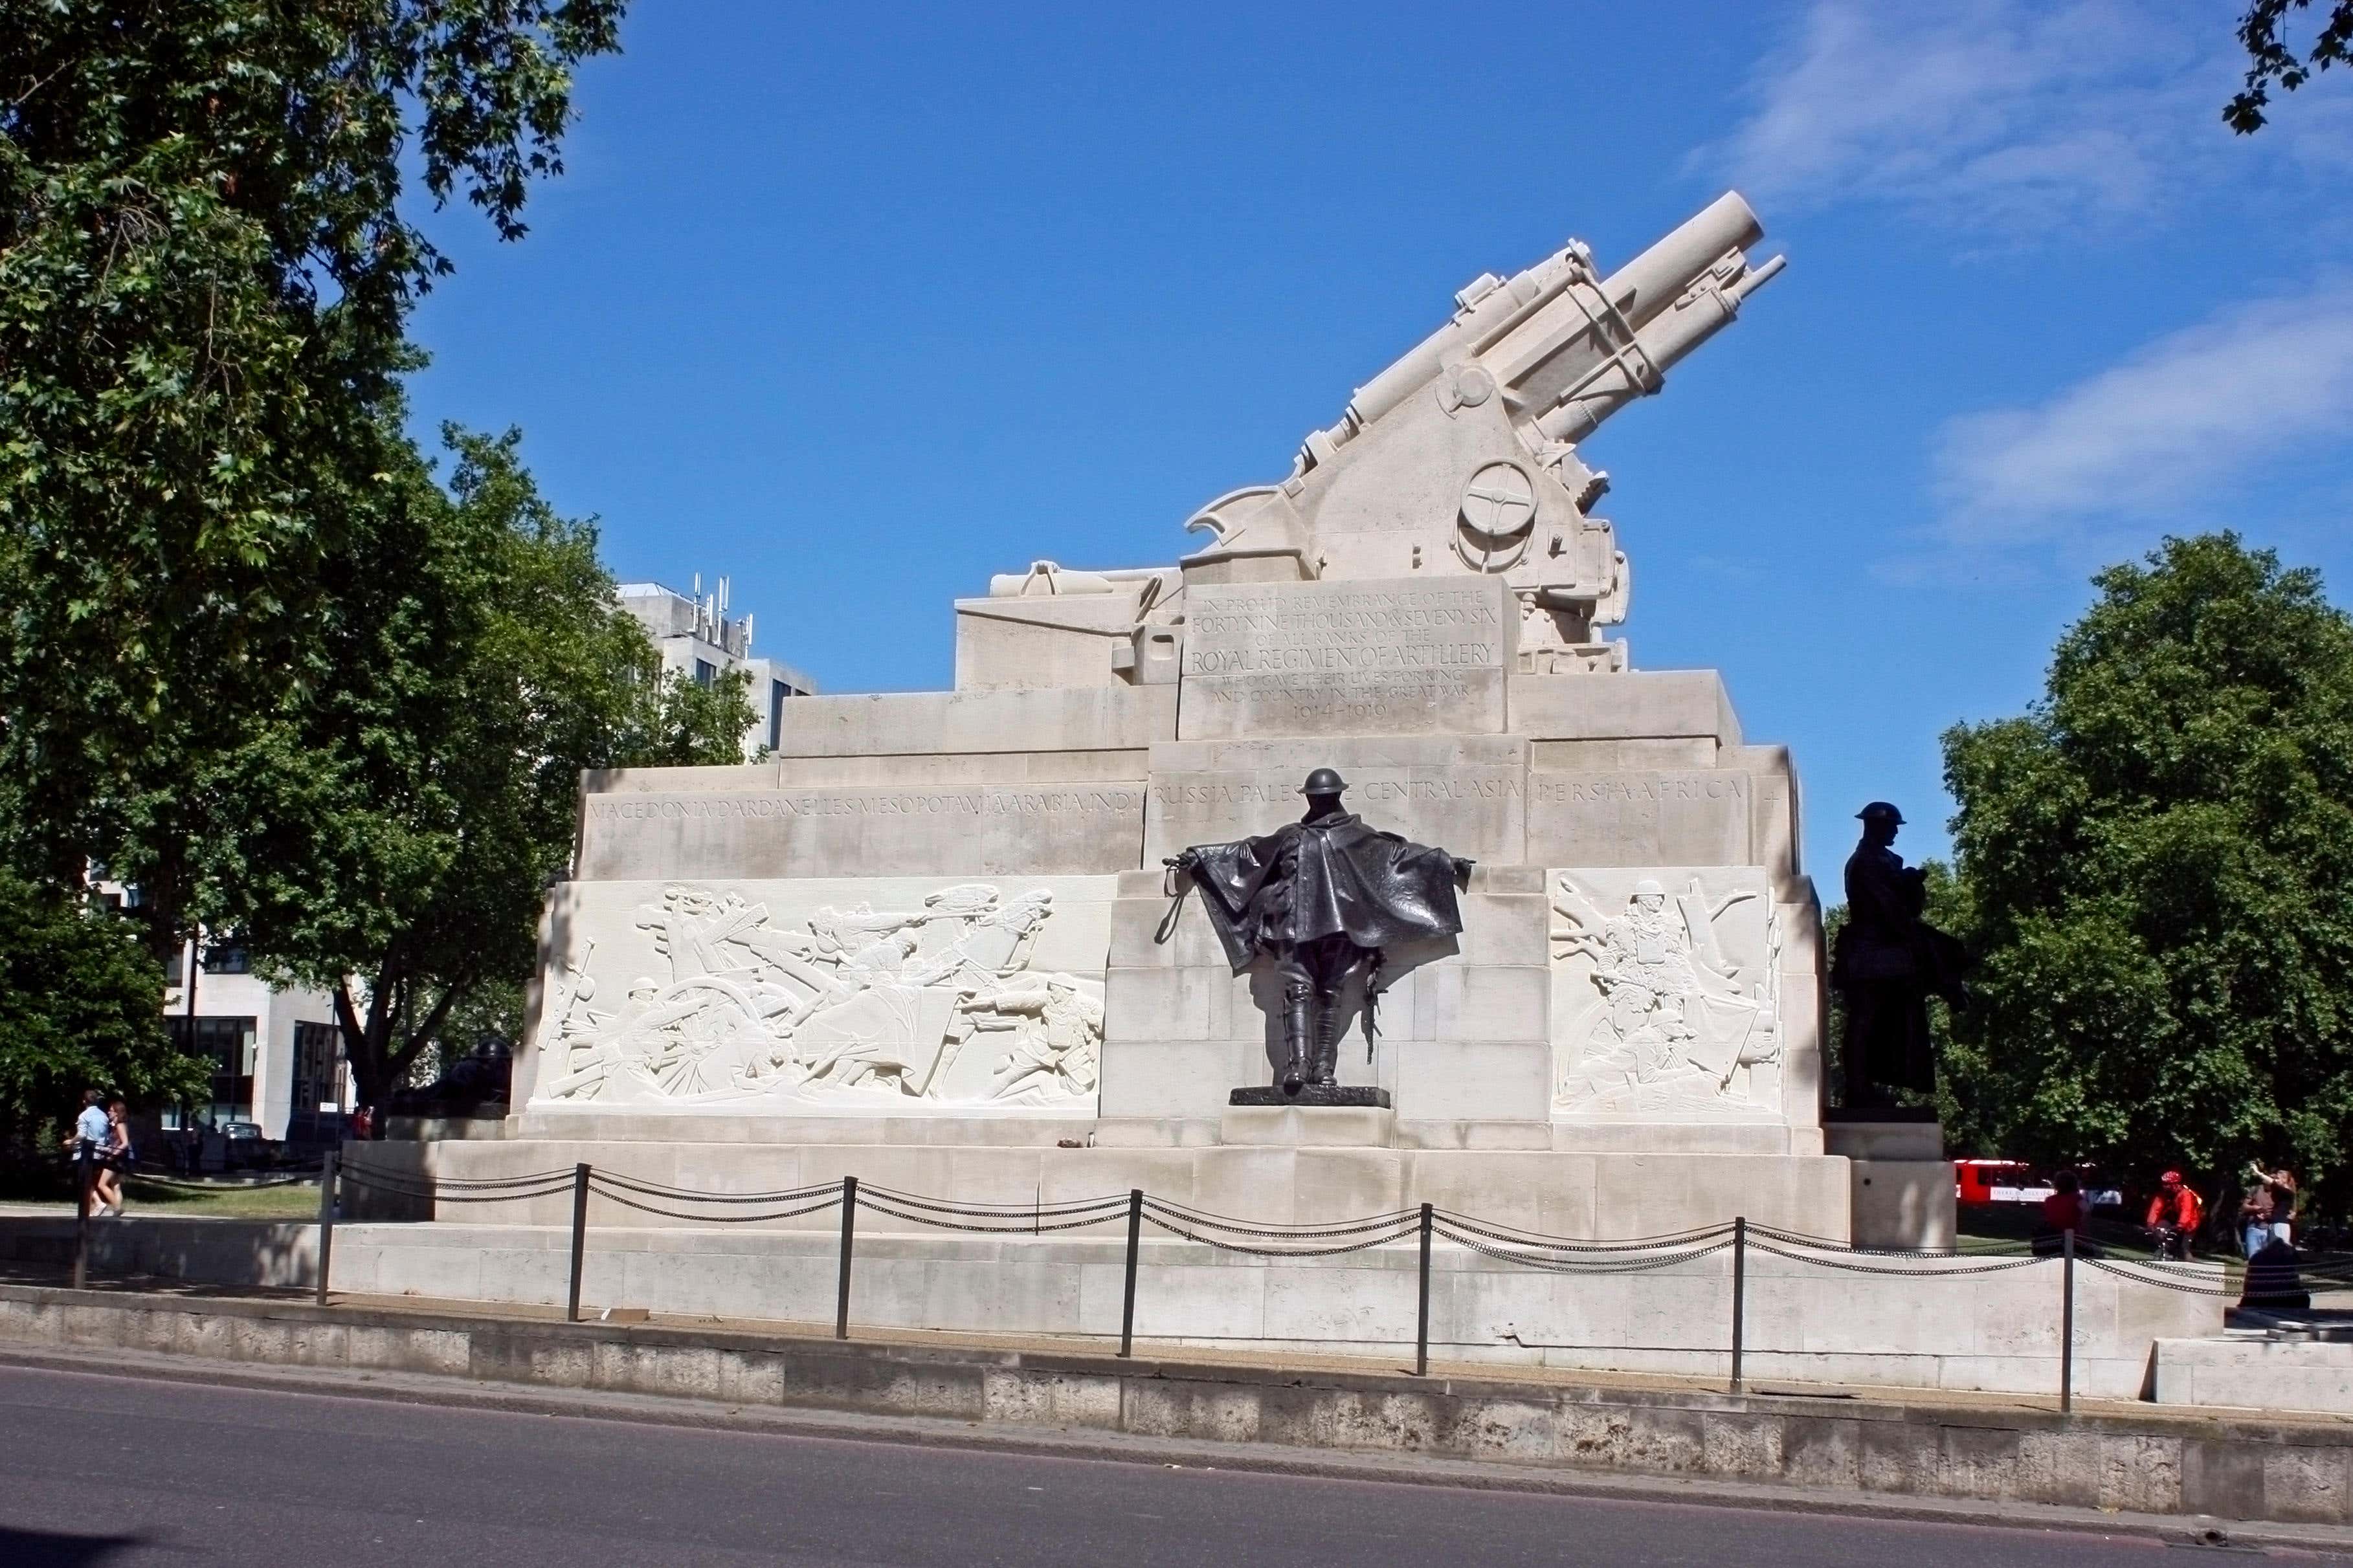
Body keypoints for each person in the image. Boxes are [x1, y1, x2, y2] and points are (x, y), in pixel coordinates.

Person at [1166, 768, 1473, 1094]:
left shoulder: (1358, 835)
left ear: (1335, 797)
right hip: (1291, 924)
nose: (1319, 801)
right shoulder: (1291, 835)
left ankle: (1324, 1068)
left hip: (1339, 928)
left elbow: (1397, 857)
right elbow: (1248, 853)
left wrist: (1445, 864)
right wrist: (1200, 857)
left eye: (1323, 797)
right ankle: (1297, 1065)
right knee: (1298, 990)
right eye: (1315, 796)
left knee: (1330, 993)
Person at [1828, 802, 1968, 1107]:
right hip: (1870, 953)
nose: (1895, 831)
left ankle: (1949, 983)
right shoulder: (1865, 861)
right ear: (1875, 827)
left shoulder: (1884, 860)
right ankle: (1858, 1091)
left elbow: (1908, 908)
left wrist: (1910, 885)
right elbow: (1889, 911)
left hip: (1885, 951)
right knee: (1865, 1020)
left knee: (1881, 1022)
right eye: (1892, 826)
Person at [2145, 1170, 2204, 1259]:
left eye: (2167, 1184)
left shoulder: (2185, 1194)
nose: (2164, 1186)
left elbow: (2186, 1211)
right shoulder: (2163, 1194)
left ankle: (2190, 1266)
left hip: (2190, 1223)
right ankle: (2166, 1252)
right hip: (2173, 1218)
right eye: (2164, 1184)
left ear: (2175, 1184)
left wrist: (2180, 1226)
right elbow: (2155, 1209)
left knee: (2184, 1248)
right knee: (2159, 1231)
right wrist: (2150, 1224)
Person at [2033, 1169, 2087, 1256]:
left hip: (2052, 1238)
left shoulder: (2049, 1200)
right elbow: (2087, 1212)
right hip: (2074, 1239)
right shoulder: (2077, 1198)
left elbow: (2046, 1217)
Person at [2239, 1168, 2277, 1261]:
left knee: (2267, 1262)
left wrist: (2267, 1216)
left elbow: (2280, 1213)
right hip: (2253, 1228)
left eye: (2272, 1178)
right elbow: (2244, 1207)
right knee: (2253, 1260)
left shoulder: (2277, 1194)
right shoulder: (2255, 1189)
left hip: (2269, 1230)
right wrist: (2255, 1208)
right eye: (2268, 1176)